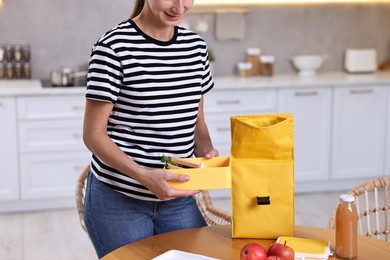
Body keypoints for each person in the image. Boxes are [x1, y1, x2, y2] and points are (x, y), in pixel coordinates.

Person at [82, 0, 218, 258]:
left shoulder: (196, 48)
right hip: (118, 201)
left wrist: (208, 154)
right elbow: (93, 134)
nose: (180, 7)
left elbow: (196, 121)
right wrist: (145, 175)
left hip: (178, 200)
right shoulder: (113, 47)